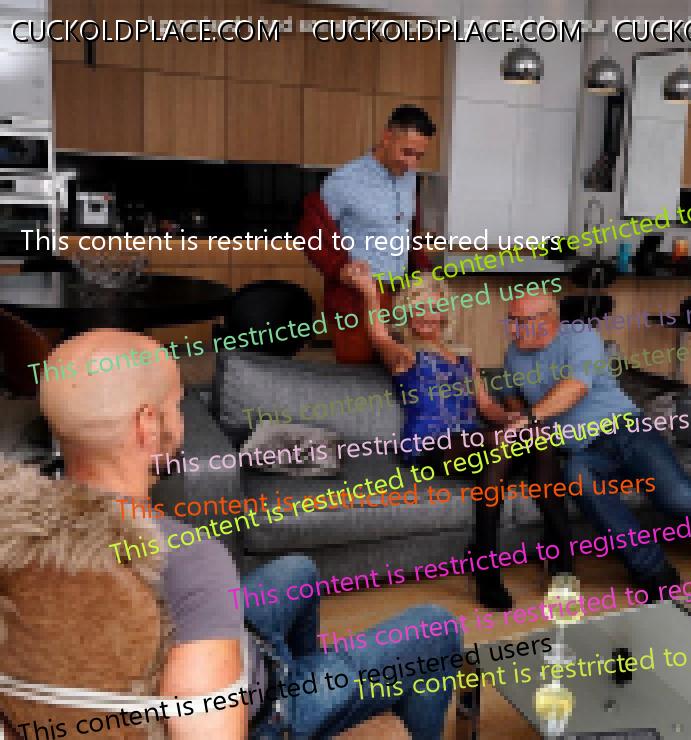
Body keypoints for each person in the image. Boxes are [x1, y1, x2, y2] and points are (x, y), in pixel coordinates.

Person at [38, 329, 460, 739]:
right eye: (178, 405)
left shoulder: (32, 531)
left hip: (232, 651)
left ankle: (320, 688)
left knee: (298, 570)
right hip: (265, 713)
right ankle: (305, 701)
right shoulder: (191, 560)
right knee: (435, 629)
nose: (182, 420)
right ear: (147, 426)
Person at [350, 265, 574, 610]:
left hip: (474, 443)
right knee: (499, 445)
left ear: (445, 313)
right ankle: (486, 564)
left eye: (434, 307)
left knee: (537, 438)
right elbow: (377, 334)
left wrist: (514, 420)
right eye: (418, 308)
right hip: (431, 445)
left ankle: (560, 557)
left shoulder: (465, 357)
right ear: (407, 313)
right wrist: (368, 292)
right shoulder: (404, 353)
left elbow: (486, 406)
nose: (427, 316)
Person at [501, 294, 691, 594]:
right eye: (510, 320)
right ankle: (654, 571)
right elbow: (510, 393)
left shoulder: (580, 337)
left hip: (627, 430)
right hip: (582, 451)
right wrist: (521, 416)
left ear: (547, 320)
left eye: (519, 321)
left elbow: (575, 387)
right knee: (577, 476)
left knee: (680, 500)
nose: (511, 329)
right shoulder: (513, 354)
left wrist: (531, 417)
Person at [303, 105, 436, 363]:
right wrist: (341, 269)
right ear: (386, 137)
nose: (411, 163)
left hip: (401, 296)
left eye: (419, 156)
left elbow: (408, 228)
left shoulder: (409, 177)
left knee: (399, 369)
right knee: (357, 374)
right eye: (407, 152)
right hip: (358, 299)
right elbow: (313, 233)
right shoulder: (342, 182)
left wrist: (422, 271)